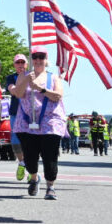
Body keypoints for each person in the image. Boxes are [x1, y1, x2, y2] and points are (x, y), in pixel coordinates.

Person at [10, 50, 66, 200]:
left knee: (50, 156)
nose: (38, 60)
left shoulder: (53, 77)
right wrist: (27, 80)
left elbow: (58, 96)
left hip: (50, 122)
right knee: (30, 157)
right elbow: (19, 94)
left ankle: (50, 186)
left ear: (46, 60)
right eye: (35, 57)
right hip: (27, 122)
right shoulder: (24, 75)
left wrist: (40, 88)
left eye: (41, 57)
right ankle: (34, 177)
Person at [4, 54, 29, 180]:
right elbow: (13, 90)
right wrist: (20, 83)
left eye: (22, 62)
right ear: (14, 65)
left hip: (30, 114)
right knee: (15, 140)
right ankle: (22, 162)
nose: (20, 65)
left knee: (31, 140)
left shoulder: (32, 76)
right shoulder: (10, 78)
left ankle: (31, 167)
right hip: (16, 113)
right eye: (17, 63)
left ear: (26, 64)